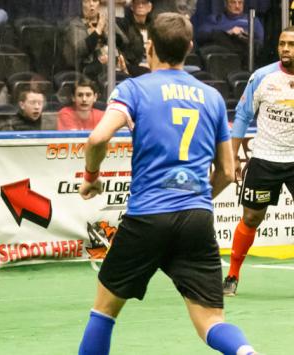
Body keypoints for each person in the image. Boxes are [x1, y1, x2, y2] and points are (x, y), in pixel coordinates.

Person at [77, 13, 257, 355]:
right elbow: (227, 170)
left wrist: (91, 178)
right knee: (211, 321)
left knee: (104, 310)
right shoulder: (213, 98)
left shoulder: (133, 88)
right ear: (190, 48)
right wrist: (198, 197)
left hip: (147, 217)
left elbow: (97, 138)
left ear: (149, 47)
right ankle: (247, 352)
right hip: (196, 218)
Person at [223, 27, 294, 297]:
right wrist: (233, 157)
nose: (285, 49)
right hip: (265, 158)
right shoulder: (262, 77)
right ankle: (232, 275)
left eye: (291, 45)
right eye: (281, 44)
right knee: (252, 217)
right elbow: (242, 116)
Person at [196, 0, 264, 67]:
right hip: (218, 58)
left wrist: (245, 36)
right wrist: (228, 33)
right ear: (226, 4)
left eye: (240, 3)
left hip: (243, 56)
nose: (237, 6)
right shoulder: (216, 19)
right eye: (233, 2)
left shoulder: (252, 21)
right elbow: (201, 36)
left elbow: (259, 44)